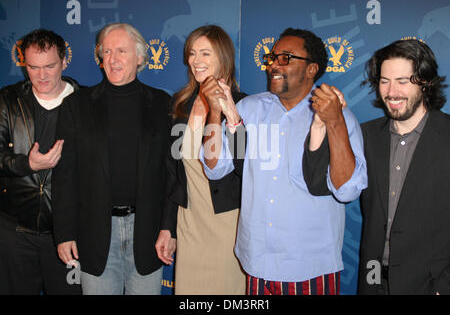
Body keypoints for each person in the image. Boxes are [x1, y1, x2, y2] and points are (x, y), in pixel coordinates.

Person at [200, 28, 367, 295]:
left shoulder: (338, 116)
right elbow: (215, 167)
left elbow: (347, 191)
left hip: (309, 265)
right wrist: (215, 110)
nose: (273, 66)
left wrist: (334, 122)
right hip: (257, 259)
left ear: (311, 69)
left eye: (286, 58)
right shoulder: (249, 109)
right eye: (272, 58)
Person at [52, 23, 171, 295]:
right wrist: (65, 233)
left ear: (141, 57)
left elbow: (172, 174)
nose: (113, 59)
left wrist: (168, 228)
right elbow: (64, 175)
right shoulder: (76, 105)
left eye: (122, 51)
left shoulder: (163, 104)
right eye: (107, 51)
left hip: (148, 232)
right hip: (94, 232)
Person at [155, 25, 246, 295]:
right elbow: (173, 174)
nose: (196, 61)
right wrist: (167, 228)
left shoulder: (244, 105)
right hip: (189, 225)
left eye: (205, 53)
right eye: (192, 54)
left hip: (229, 225)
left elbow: (245, 162)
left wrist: (230, 116)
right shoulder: (180, 105)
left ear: (224, 58)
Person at [357, 39, 450, 294]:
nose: (391, 92)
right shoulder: (365, 136)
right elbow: (319, 181)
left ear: (426, 82)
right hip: (373, 281)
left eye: (403, 81)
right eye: (384, 81)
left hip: (430, 285)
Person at [0, 29, 81, 294]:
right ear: (23, 63)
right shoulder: (7, 100)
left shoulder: (86, 103)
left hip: (67, 234)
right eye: (33, 67)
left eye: (50, 66)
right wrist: (28, 165)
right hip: (14, 232)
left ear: (65, 61)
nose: (42, 75)